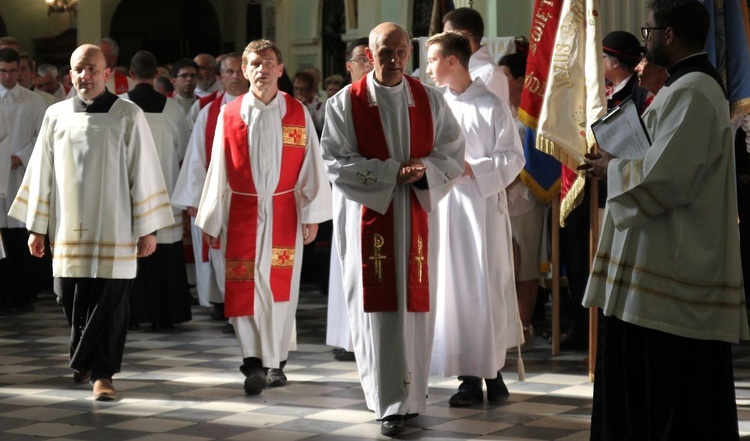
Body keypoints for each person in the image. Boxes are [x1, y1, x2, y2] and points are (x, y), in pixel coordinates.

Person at [581, 1, 749, 438]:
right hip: (658, 274)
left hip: (670, 282)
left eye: (650, 29)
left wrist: (609, 169)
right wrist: (618, 159)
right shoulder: (682, 88)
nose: (646, 38)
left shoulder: (693, 91)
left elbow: (669, 178)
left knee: (670, 404)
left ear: (669, 35)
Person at [320, 22, 464, 436]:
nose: (395, 59)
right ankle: (386, 402)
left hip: (416, 214)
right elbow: (335, 161)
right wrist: (389, 174)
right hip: (370, 217)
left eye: (402, 51)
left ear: (410, 54)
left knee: (415, 310)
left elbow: (452, 152)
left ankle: (412, 398)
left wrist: (424, 172)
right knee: (379, 313)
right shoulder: (346, 103)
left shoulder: (429, 99)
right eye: (386, 51)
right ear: (370, 53)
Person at [8, 44, 173, 401]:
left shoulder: (127, 114)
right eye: (79, 69)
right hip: (68, 227)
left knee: (111, 302)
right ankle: (84, 354)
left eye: (93, 69)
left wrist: (148, 228)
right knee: (66, 294)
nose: (86, 76)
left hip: (116, 227)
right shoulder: (55, 115)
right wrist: (37, 227)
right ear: (71, 74)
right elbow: (42, 174)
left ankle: (102, 375)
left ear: (107, 73)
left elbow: (143, 173)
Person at [195, 38, 331, 395]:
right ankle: (253, 361)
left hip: (285, 211)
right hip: (241, 210)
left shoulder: (297, 113)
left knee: (279, 289)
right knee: (242, 285)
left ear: (280, 69)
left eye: (269, 62)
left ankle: (276, 361)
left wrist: (312, 213)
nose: (262, 69)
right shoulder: (231, 114)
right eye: (254, 63)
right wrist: (212, 219)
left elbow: (311, 167)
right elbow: (218, 170)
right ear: (244, 70)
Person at [425, 31, 524, 407]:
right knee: (456, 292)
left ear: (453, 61)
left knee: (485, 288)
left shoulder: (491, 105)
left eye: (433, 60)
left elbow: (514, 158)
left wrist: (474, 169)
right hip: (446, 209)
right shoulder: (436, 106)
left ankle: (491, 370)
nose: (429, 68)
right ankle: (470, 374)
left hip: (481, 211)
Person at [173, 53, 248, 319]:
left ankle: (245, 306)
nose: (236, 76)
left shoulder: (267, 107)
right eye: (230, 72)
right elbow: (196, 157)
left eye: (240, 70)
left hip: (253, 199)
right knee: (221, 252)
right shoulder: (209, 112)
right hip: (219, 196)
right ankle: (226, 304)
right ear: (219, 78)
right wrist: (194, 198)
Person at [123, 50, 192, 331]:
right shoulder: (173, 109)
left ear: (129, 74)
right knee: (164, 257)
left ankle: (131, 316)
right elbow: (184, 153)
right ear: (156, 75)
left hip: (129, 197)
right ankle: (164, 316)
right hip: (164, 196)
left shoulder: (119, 107)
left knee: (130, 257)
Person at [325, 36, 373, 363]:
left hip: (387, 197)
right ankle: (347, 337)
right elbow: (331, 159)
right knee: (349, 264)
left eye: (372, 57)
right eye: (361, 58)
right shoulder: (341, 102)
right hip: (352, 198)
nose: (368, 63)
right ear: (348, 65)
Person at [499, 50, 547, 351]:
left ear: (520, 81)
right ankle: (505, 325)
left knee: (526, 263)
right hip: (498, 198)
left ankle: (523, 324)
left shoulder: (530, 116)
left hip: (526, 196)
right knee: (504, 262)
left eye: (504, 78)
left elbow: (530, 159)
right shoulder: (499, 110)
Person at [0, 47, 46, 313]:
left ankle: (20, 293)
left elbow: (42, 136)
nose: (7, 76)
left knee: (19, 237)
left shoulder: (33, 100)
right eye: (3, 71)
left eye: (12, 71)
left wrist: (21, 155)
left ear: (21, 70)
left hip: (21, 174)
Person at [442, 7, 509, 104]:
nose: (444, 42)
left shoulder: (491, 73)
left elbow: (491, 115)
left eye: (448, 35)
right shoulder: (457, 68)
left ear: (463, 36)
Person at [292, 70, 325, 136]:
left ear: (311, 90)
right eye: (296, 88)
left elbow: (321, 127)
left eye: (303, 89)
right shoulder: (289, 105)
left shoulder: (320, 106)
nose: (299, 92)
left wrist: (306, 107)